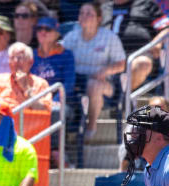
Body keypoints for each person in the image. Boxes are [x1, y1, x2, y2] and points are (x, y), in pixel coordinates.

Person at [61, 1, 125, 141]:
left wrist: (106, 70)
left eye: (89, 14)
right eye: (82, 13)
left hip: (104, 84)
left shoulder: (109, 37)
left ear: (99, 19)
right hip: (76, 83)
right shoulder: (71, 37)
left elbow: (121, 64)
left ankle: (91, 126)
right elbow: (60, 55)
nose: (84, 16)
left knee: (93, 85)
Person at [31, 16, 76, 167]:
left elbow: (69, 84)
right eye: (39, 29)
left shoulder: (66, 55)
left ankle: (55, 153)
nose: (42, 32)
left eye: (47, 29)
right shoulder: (31, 55)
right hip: (35, 101)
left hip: (61, 103)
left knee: (55, 111)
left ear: (57, 34)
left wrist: (54, 99)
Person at [101, 0, 169, 94]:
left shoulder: (146, 4)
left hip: (139, 56)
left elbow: (166, 29)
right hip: (108, 58)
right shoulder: (103, 8)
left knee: (142, 63)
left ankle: (122, 101)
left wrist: (157, 43)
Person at [0, 42, 51, 111]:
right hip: (1, 120)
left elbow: (45, 110)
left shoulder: (41, 84)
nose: (15, 61)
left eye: (20, 58)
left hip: (27, 122)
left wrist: (27, 89)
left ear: (30, 62)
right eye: (12, 58)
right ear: (9, 62)